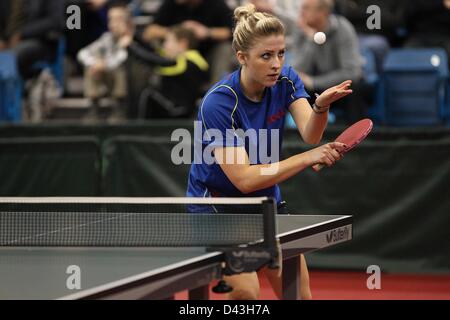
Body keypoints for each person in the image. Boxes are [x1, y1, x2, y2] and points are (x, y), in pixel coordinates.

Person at [186, 3, 352, 300]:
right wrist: (306, 158)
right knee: (246, 295)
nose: (276, 63)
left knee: (299, 295)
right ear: (242, 57)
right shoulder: (219, 103)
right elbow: (245, 180)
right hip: (217, 210)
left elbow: (311, 134)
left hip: (264, 205)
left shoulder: (286, 80)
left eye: (280, 53)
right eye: (266, 56)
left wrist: (321, 106)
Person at [291, 0, 367, 124]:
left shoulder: (343, 28)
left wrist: (314, 82)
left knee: (355, 88)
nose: (301, 12)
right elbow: (297, 70)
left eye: (306, 8)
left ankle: (355, 137)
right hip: (314, 88)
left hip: (341, 86)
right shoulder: (300, 30)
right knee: (290, 87)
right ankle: (303, 136)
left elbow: (352, 72)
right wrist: (311, 40)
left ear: (323, 12)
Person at [127, 25, 209, 118]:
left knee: (148, 94)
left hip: (179, 111)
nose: (164, 45)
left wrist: (130, 47)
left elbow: (154, 61)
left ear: (183, 43)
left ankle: (140, 131)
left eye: (168, 41)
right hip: (181, 108)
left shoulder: (185, 61)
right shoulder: (195, 58)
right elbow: (154, 53)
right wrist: (134, 37)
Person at [77, 1, 134, 121]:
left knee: (119, 66)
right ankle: (94, 108)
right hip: (108, 79)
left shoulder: (135, 39)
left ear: (128, 23)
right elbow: (82, 53)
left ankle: (120, 109)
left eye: (118, 20)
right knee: (93, 61)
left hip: (132, 87)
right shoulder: (107, 38)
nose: (113, 24)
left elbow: (121, 58)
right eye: (110, 20)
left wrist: (105, 63)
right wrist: (96, 64)